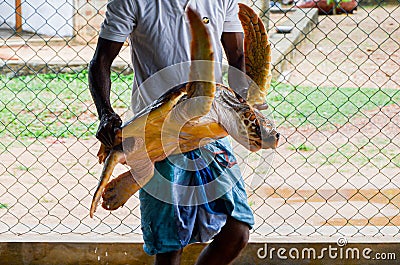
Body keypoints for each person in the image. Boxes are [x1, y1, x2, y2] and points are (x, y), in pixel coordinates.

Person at [88, 1, 255, 264]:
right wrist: (106, 113)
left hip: (208, 127)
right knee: (169, 246)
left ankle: (136, 176)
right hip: (156, 132)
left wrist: (241, 106)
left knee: (238, 229)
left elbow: (236, 57)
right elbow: (101, 61)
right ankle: (141, 171)